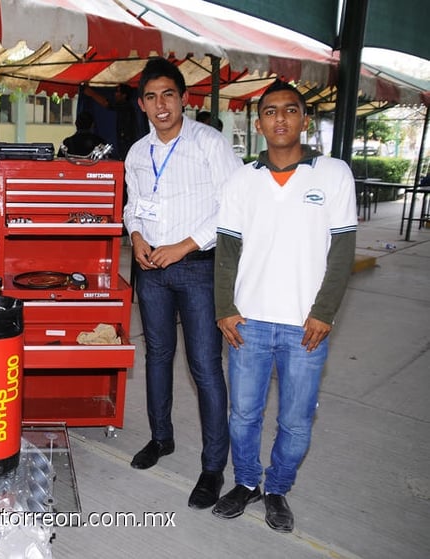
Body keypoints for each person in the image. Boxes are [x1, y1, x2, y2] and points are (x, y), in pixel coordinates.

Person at [211, 80, 356, 532]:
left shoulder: (333, 174)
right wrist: (224, 308)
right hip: (247, 322)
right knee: (244, 416)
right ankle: (248, 482)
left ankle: (277, 488)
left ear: (304, 119)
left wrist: (324, 312)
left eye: (290, 110)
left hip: (304, 325)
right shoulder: (241, 179)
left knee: (295, 424)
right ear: (258, 123)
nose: (280, 119)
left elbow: (343, 251)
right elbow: (227, 251)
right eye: (270, 111)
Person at [124, 56, 242, 509]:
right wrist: (135, 236)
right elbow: (133, 205)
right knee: (156, 355)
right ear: (142, 105)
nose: (161, 105)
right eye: (151, 98)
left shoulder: (208, 143)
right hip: (150, 268)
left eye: (168, 95)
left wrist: (186, 245)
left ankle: (213, 467)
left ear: (183, 98)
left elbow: (233, 207)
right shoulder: (138, 152)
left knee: (205, 367)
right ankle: (161, 438)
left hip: (197, 267)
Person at [83, 82, 142, 159]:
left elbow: (106, 103)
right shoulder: (127, 107)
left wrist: (91, 94)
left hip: (127, 144)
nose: (115, 94)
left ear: (124, 95)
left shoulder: (125, 106)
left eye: (118, 92)